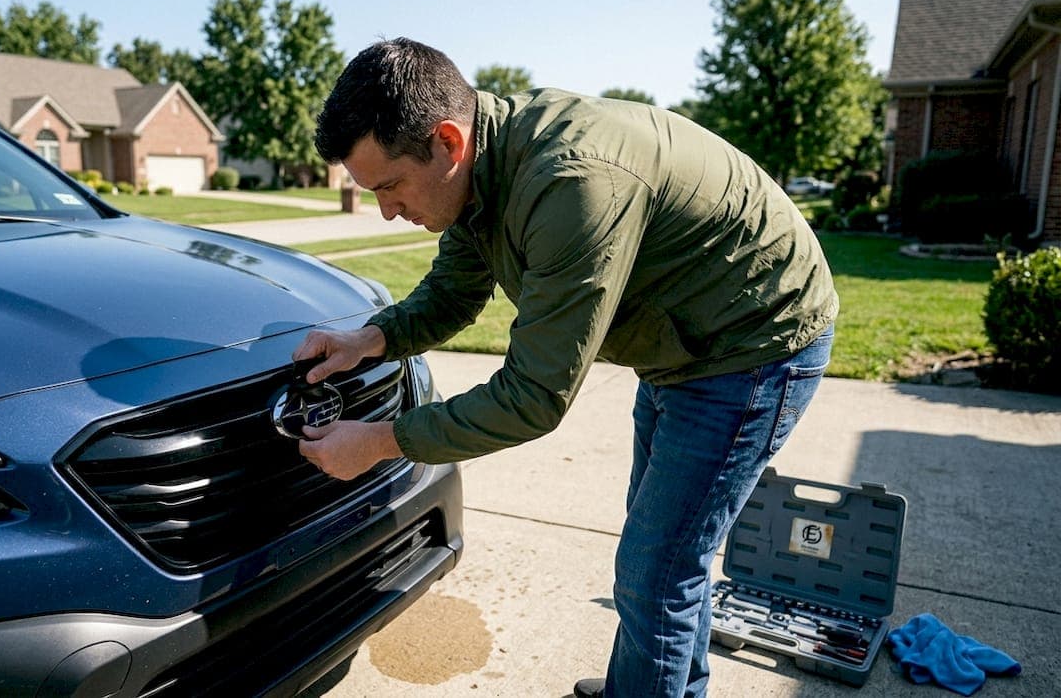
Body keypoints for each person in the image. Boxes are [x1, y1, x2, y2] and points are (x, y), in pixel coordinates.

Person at [293, 37, 837, 698]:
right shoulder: (478, 176)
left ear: (446, 142)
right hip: (683, 343)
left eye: (389, 185)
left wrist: (381, 442)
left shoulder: (569, 183)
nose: (385, 210)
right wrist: (371, 339)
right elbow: (455, 293)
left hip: (753, 343)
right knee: (663, 558)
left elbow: (533, 397)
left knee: (656, 568)